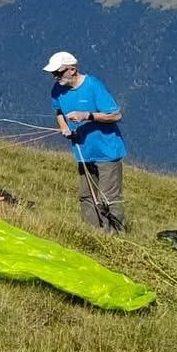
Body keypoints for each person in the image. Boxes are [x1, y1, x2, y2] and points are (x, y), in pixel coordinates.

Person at [45, 51, 127, 232]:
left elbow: (116, 115)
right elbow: (59, 112)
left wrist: (87, 116)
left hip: (107, 151)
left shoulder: (93, 86)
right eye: (53, 73)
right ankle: (91, 233)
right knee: (87, 196)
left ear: (72, 70)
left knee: (108, 198)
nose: (54, 77)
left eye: (58, 72)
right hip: (83, 151)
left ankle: (115, 238)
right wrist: (63, 127)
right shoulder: (57, 90)